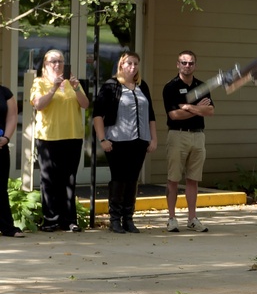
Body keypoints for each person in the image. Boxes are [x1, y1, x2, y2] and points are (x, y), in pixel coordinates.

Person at [93, 51, 158, 234]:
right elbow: (98, 115)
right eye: (129, 63)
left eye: (136, 63)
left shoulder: (142, 86)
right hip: (117, 140)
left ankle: (128, 218)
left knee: (132, 179)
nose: (133, 67)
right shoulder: (111, 85)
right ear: (121, 64)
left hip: (140, 140)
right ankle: (114, 219)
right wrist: (102, 139)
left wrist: (153, 138)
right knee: (119, 178)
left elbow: (151, 115)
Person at [29, 49, 89, 232]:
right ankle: (50, 220)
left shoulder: (72, 83)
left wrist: (76, 87)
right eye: (53, 61)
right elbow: (38, 105)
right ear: (45, 64)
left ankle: (69, 220)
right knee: (49, 180)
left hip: (72, 136)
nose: (57, 64)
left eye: (61, 61)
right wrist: (53, 88)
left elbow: (85, 104)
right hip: (49, 137)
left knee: (69, 179)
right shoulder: (39, 82)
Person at [162, 50, 214, 232]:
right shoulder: (171, 87)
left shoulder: (201, 86)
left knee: (193, 179)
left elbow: (210, 111)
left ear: (195, 65)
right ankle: (171, 218)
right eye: (183, 62)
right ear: (178, 64)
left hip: (198, 136)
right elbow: (174, 115)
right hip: (178, 135)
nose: (187, 66)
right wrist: (198, 108)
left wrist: (188, 107)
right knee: (173, 178)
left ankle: (192, 218)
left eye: (191, 63)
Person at [1, 83, 24, 238]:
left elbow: (12, 117)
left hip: (0, 145)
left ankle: (7, 227)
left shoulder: (5, 93)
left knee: (0, 188)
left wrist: (6, 138)